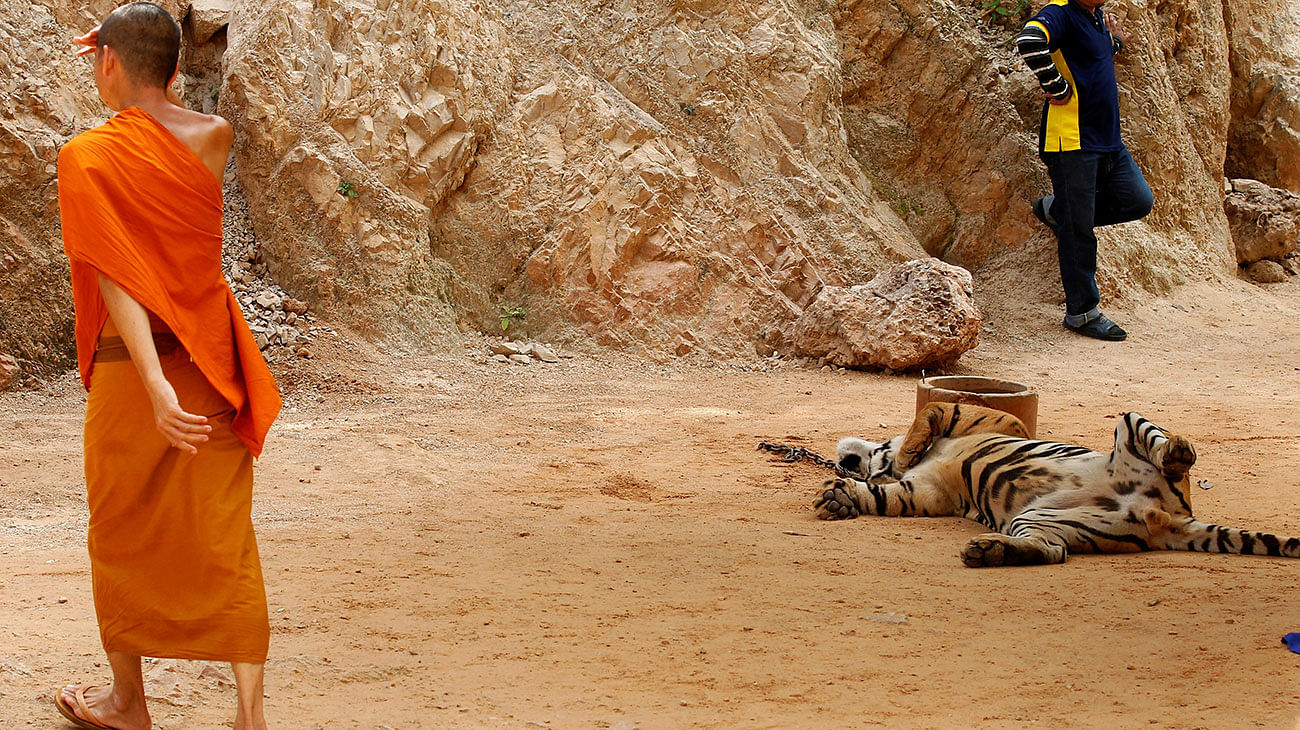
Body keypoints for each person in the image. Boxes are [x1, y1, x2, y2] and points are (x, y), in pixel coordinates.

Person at [55, 4, 281, 729]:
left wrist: (151, 384)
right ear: (178, 69)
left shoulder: (86, 154)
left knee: (119, 527)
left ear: (108, 62)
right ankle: (250, 716)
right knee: (224, 532)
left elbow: (116, 274)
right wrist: (139, 51)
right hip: (210, 363)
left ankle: (128, 703)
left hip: (133, 369)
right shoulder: (211, 135)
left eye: (99, 59)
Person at [1016, 0, 1154, 341]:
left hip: (1107, 142)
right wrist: (1055, 85)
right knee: (1079, 231)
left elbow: (1090, 58)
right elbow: (1030, 40)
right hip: (1071, 143)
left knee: (1138, 200)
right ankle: (1082, 313)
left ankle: (1056, 210)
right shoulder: (1060, 12)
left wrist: (1115, 42)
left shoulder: (1092, 18)